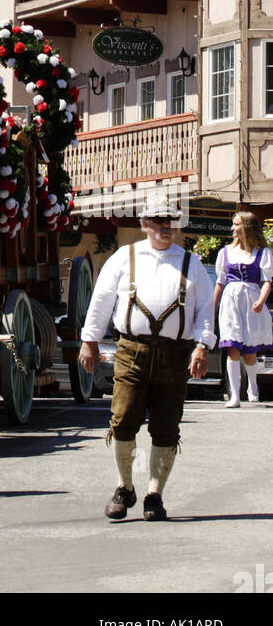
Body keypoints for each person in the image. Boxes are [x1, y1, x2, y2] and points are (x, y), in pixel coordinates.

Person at [79, 202, 214, 522]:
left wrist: (202, 346)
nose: (164, 226)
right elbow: (101, 300)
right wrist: (89, 340)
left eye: (169, 220)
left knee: (167, 427)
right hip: (131, 351)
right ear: (144, 223)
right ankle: (124, 486)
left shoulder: (191, 263)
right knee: (123, 418)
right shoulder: (124, 259)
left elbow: (205, 309)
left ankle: (155, 494)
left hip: (175, 354)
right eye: (157, 220)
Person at [214, 210, 273, 407]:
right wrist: (212, 305)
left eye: (237, 224)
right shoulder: (225, 253)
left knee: (249, 351)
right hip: (230, 301)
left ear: (247, 227)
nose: (233, 228)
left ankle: (253, 385)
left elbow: (266, 281)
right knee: (232, 347)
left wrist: (261, 300)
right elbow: (220, 282)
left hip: (251, 300)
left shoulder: (262, 253)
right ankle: (235, 395)